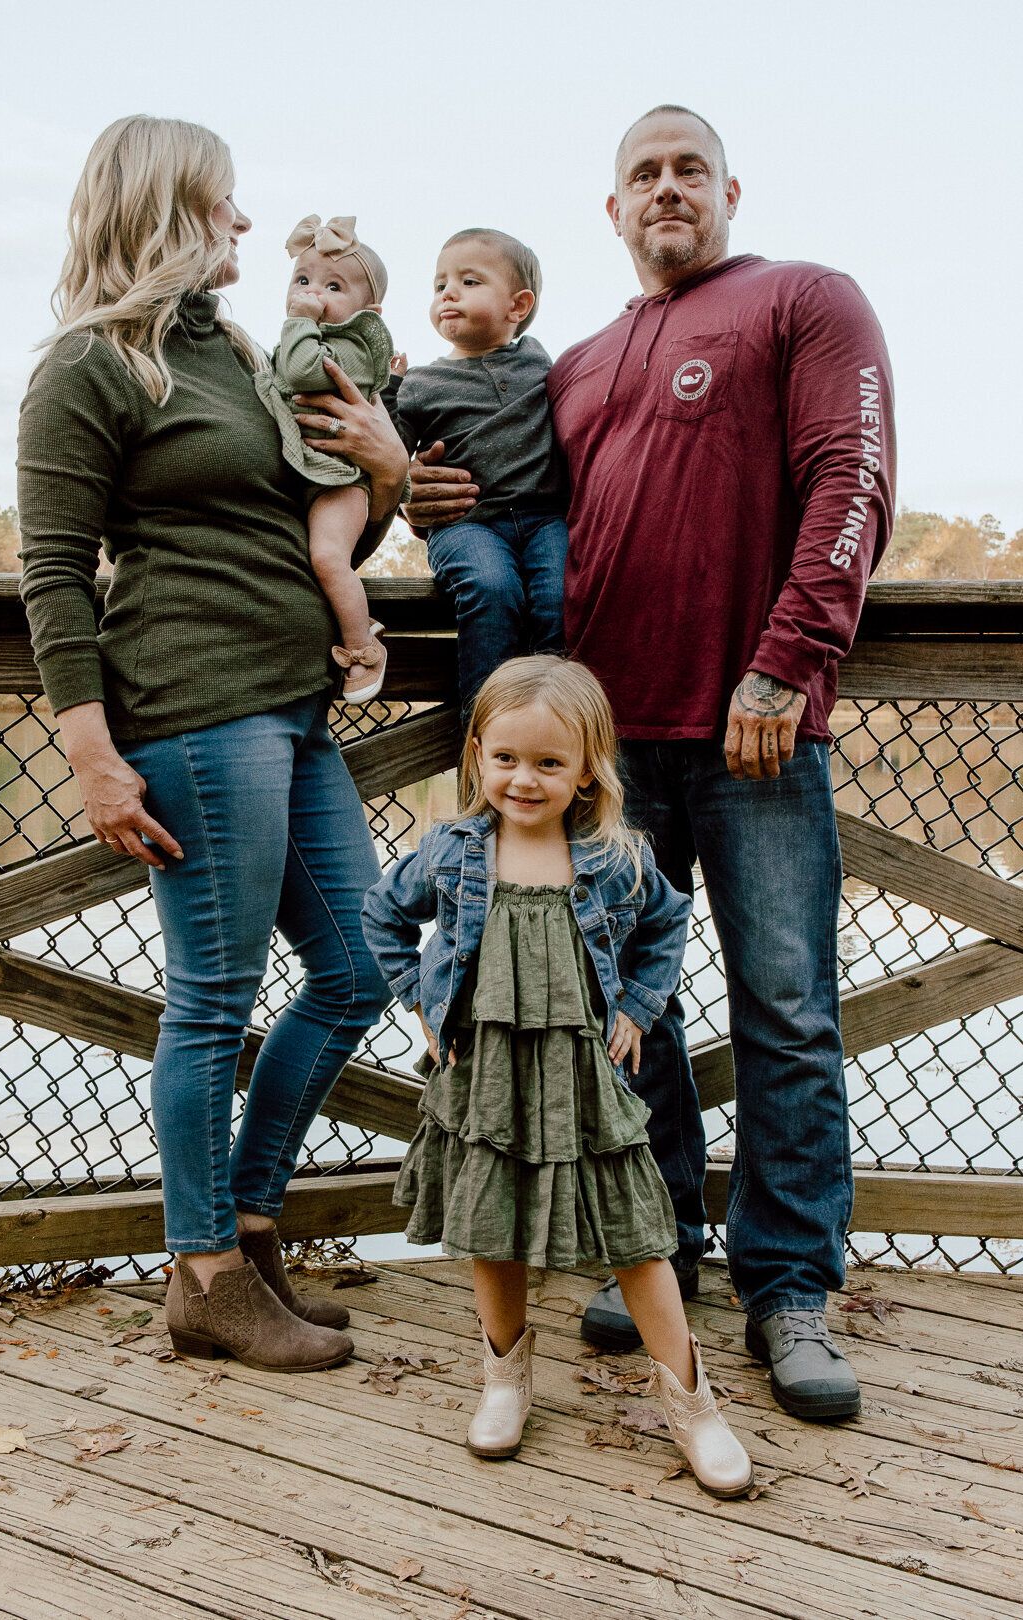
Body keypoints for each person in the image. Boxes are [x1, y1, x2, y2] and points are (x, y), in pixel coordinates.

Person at [404, 105, 896, 1423]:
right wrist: (428, 497)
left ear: (731, 189)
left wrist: (788, 659)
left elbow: (852, 478)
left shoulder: (804, 299)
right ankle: (658, 1250)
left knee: (786, 1010)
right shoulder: (579, 360)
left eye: (690, 169)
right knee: (637, 1015)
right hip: (609, 758)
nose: (667, 188)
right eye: (643, 174)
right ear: (610, 212)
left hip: (755, 729)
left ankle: (790, 1289)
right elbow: (510, 505)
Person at [17, 115, 405, 1373]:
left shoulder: (236, 354)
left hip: (294, 706)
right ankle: (204, 1277)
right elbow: (54, 577)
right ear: (171, 209)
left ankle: (244, 1227)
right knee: (212, 1004)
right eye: (225, 203)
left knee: (361, 966)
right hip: (192, 710)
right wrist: (89, 752)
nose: (246, 224)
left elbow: (322, 524)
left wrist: (390, 476)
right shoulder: (86, 367)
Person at [362, 656, 753, 1497]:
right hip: (487, 1074)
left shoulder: (613, 858)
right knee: (491, 1222)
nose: (524, 779)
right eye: (505, 758)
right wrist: (423, 1003)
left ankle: (693, 1404)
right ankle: (505, 1377)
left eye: (548, 762)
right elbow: (381, 911)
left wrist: (640, 1006)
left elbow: (669, 920)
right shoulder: (453, 851)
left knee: (641, 1232)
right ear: (476, 755)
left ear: (587, 768)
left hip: (584, 1076)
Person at [388, 230, 568, 721]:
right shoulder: (420, 383)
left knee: (559, 598)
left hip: (546, 516)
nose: (447, 292)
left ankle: (552, 728)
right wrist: (387, 389)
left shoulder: (542, 362)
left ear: (518, 306)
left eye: (468, 281)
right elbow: (390, 451)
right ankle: (486, 737)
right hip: (467, 524)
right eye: (439, 283)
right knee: (491, 589)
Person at [255, 214, 403, 701]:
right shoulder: (305, 339)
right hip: (311, 476)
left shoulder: (356, 347)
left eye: (334, 286)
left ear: (369, 312)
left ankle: (362, 648)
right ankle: (345, 626)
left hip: (340, 482)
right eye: (303, 280)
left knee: (327, 555)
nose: (313, 293)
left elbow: (297, 374)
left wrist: (299, 319)